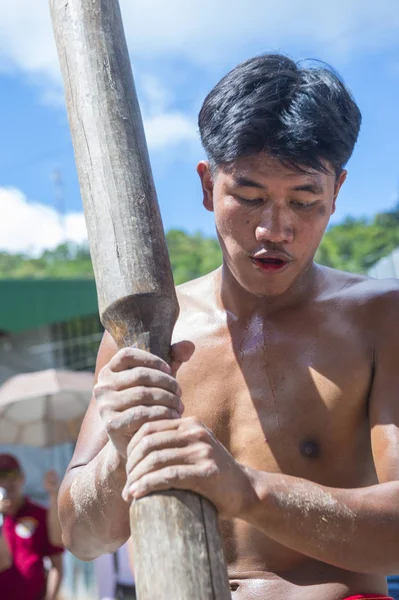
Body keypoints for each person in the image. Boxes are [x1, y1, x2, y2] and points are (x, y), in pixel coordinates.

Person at [58, 54, 399, 600]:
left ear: (336, 191)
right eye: (249, 196)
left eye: (305, 201)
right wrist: (123, 456)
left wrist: (249, 491)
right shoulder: (145, 330)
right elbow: (80, 535)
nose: (274, 228)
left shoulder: (383, 318)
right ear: (206, 185)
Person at [0, 454, 64, 600]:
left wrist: (51, 597)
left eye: (11, 475)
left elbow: (56, 562)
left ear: (22, 478)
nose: (5, 483)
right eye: (0, 476)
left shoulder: (39, 514)